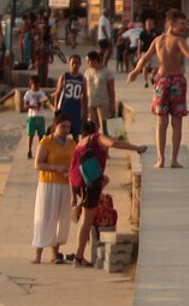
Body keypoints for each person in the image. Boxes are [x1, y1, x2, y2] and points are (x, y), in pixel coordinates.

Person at [126, 10, 189, 168]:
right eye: (182, 24)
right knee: (173, 122)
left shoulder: (158, 40)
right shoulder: (178, 40)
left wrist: (136, 71)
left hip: (162, 81)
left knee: (162, 121)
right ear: (172, 24)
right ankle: (171, 159)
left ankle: (162, 159)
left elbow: (145, 57)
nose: (184, 27)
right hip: (176, 81)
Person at [69, 118, 145, 268]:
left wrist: (73, 198)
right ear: (96, 129)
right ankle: (78, 257)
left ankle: (83, 206)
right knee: (86, 221)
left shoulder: (79, 144)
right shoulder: (96, 138)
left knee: (105, 180)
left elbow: (71, 170)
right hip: (89, 184)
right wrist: (136, 147)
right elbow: (113, 144)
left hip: (79, 184)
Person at [32, 114, 76, 265]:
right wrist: (55, 168)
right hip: (48, 184)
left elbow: (75, 163)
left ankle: (55, 253)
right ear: (55, 126)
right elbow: (38, 164)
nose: (66, 130)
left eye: (68, 127)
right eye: (63, 126)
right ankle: (38, 253)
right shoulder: (46, 142)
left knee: (62, 218)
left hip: (65, 184)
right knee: (45, 217)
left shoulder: (71, 143)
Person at [53, 53, 88, 141]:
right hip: (64, 108)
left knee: (76, 133)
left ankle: (75, 152)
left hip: (76, 109)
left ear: (80, 64)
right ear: (69, 64)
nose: (75, 65)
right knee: (62, 131)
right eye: (73, 63)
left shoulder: (82, 79)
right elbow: (58, 93)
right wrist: (56, 108)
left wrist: (85, 111)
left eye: (77, 63)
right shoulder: (64, 77)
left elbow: (85, 97)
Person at [21, 75, 51, 159]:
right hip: (32, 116)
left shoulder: (41, 92)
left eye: (38, 85)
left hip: (40, 116)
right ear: (31, 85)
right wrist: (34, 107)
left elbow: (46, 101)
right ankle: (29, 150)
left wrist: (49, 105)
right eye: (35, 85)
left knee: (41, 135)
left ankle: (40, 150)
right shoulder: (28, 93)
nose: (36, 87)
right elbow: (25, 105)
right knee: (31, 135)